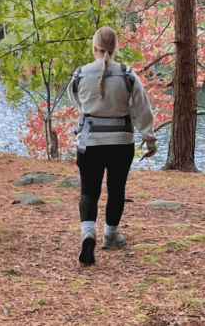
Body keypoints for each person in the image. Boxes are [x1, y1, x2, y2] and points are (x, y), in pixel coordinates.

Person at [67, 26, 157, 265]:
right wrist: (149, 138)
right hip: (121, 143)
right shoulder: (128, 75)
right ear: (116, 48)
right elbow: (142, 109)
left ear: (94, 47)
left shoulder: (79, 75)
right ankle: (111, 234)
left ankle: (88, 232)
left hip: (90, 143)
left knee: (89, 191)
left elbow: (77, 102)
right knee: (116, 190)